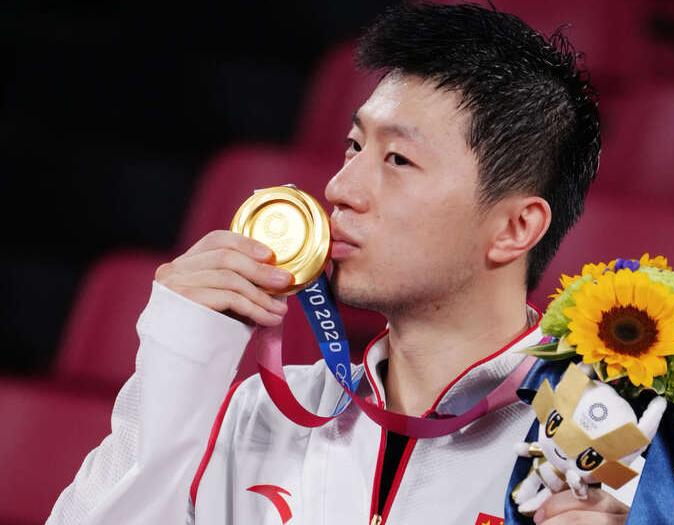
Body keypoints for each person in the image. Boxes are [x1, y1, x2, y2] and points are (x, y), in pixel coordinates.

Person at [47, 3, 634, 524]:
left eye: (398, 159)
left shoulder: (602, 447)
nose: (339, 188)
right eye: (354, 147)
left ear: (514, 228)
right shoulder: (256, 416)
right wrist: (179, 364)